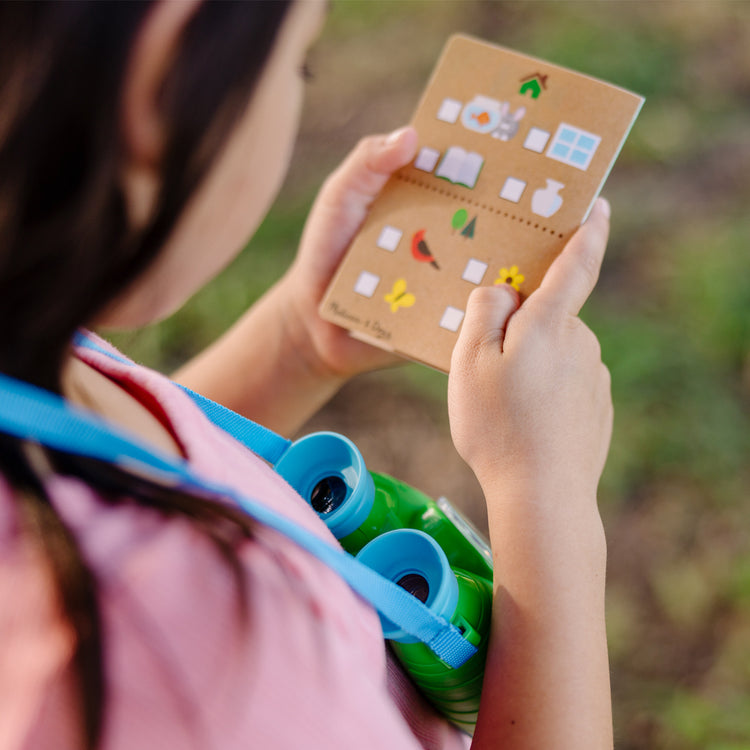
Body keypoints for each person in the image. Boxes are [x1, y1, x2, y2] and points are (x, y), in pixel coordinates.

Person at [0, 1, 614, 749]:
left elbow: (107, 461)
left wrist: (298, 344)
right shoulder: (199, 655)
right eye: (300, 63)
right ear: (167, 77)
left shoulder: (28, 347)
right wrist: (545, 496)